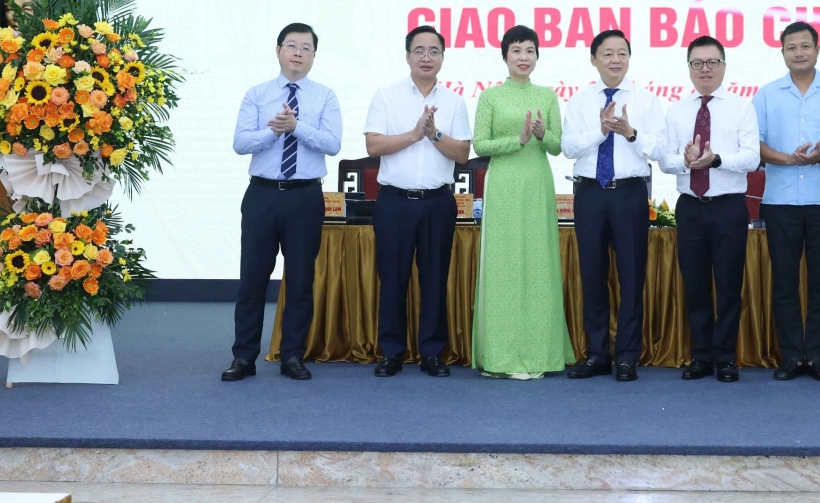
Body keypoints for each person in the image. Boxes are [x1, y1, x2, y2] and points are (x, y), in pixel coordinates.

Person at [224, 23, 342, 382]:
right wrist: (273, 131)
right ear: (278, 51)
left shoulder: (325, 96)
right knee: (252, 280)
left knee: (301, 280)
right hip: (262, 195)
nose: (298, 53)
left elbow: (333, 144)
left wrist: (297, 127)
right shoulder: (257, 94)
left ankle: (292, 356)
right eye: (292, 45)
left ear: (314, 56)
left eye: (306, 48)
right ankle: (243, 357)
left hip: (305, 196)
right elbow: (240, 143)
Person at [365, 25, 472, 377]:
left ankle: (432, 353)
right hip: (394, 202)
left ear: (443, 57)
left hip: (437, 203)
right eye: (419, 51)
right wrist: (414, 135)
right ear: (407, 55)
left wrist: (433, 133)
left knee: (435, 279)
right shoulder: (386, 96)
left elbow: (462, 154)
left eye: (434, 51)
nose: (427, 57)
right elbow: (374, 145)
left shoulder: (454, 101)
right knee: (392, 278)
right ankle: (391, 352)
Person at [471, 25, 575, 378]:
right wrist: (516, 140)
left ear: (537, 56)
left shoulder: (547, 96)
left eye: (530, 50)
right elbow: (480, 145)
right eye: (516, 50)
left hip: (536, 183)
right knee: (503, 265)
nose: (523, 57)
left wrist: (542, 134)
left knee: (537, 264)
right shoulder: (490, 97)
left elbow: (558, 146)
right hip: (502, 184)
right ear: (505, 55)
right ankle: (501, 356)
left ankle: (539, 353)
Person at [562, 30, 665, 382]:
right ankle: (597, 354)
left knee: (631, 275)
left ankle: (627, 356)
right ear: (594, 59)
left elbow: (659, 149)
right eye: (607, 53)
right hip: (590, 193)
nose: (615, 60)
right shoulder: (579, 100)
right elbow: (569, 147)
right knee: (592, 274)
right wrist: (601, 131)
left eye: (622, 53)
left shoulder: (646, 100)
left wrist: (630, 133)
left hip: (629, 194)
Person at [753, 21, 820, 383]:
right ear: (782, 52)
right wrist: (786, 159)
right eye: (791, 47)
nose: (799, 52)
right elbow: (754, 144)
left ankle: (819, 356)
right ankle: (792, 356)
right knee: (784, 283)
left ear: (818, 50)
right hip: (780, 201)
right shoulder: (766, 95)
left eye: (805, 46)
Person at [659, 35, 760, 382]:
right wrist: (686, 162)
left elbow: (752, 157)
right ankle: (700, 356)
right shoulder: (677, 110)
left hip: (728, 207)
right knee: (696, 285)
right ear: (689, 68)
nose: (705, 69)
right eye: (697, 63)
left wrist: (716, 160)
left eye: (712, 62)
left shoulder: (741, 108)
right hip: (691, 207)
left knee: (729, 286)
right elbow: (665, 161)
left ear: (724, 67)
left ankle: (725, 358)